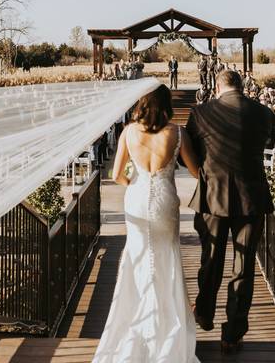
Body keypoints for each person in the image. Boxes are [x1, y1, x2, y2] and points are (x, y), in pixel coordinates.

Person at [93, 86, 200, 363]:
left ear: (142, 101)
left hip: (138, 199)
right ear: (166, 104)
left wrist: (138, 183)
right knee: (167, 258)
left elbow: (117, 174)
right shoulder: (177, 133)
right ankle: (167, 332)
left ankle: (138, 326)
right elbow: (196, 170)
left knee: (139, 258)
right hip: (165, 199)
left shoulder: (129, 132)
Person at [185, 70, 274, 353]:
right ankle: (233, 333)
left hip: (213, 194)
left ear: (218, 86)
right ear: (242, 85)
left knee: (211, 258)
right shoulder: (264, 113)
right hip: (252, 197)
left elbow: (191, 153)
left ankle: (205, 313)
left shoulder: (201, 113)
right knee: (244, 265)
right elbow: (269, 144)